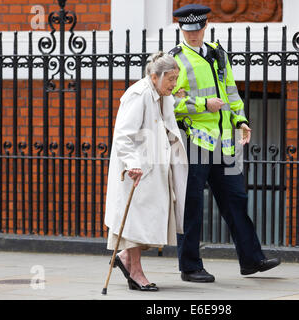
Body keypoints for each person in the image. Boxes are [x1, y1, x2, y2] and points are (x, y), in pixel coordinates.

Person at [170, 4, 281, 283]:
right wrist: (201, 104)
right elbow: (169, 102)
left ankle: (252, 260)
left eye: (197, 30)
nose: (193, 35)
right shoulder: (175, 60)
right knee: (192, 206)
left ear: (204, 27)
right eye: (187, 30)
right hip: (196, 142)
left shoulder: (219, 54)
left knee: (237, 201)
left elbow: (231, 93)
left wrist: (240, 120)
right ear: (181, 30)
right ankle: (190, 266)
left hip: (225, 144)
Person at [104, 52, 188, 291]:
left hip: (156, 166)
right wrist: (132, 163)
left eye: (175, 78)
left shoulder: (163, 96)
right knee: (135, 221)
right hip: (137, 169)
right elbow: (123, 134)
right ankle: (136, 273)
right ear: (154, 76)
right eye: (170, 79)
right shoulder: (138, 95)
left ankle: (125, 258)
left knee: (152, 219)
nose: (174, 84)